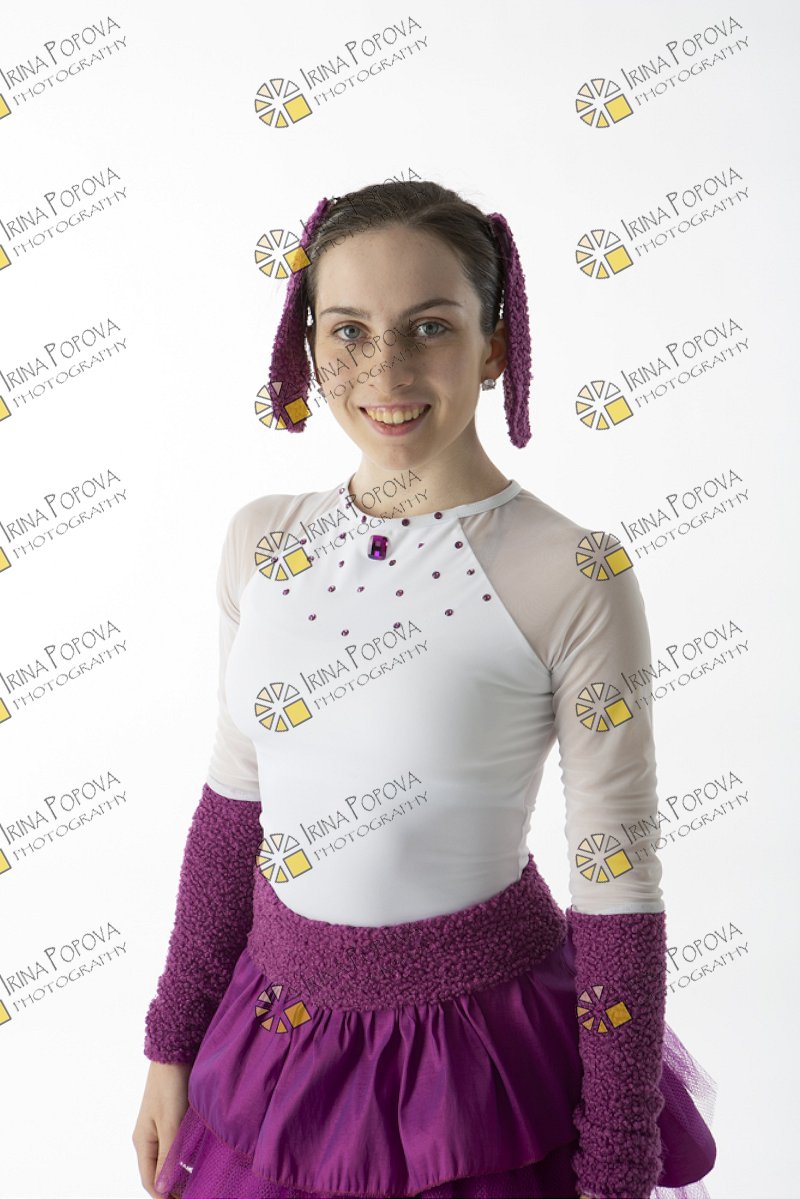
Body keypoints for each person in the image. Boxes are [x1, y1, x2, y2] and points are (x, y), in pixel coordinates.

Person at [132, 180, 718, 1199]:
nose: (386, 370)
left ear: (494, 346)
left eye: (430, 327)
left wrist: (618, 1159)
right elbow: (232, 810)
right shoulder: (262, 541)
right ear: (309, 345)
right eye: (349, 331)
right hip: (273, 1042)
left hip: (479, 1067)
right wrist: (170, 1045)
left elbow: (616, 879)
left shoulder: (570, 570)